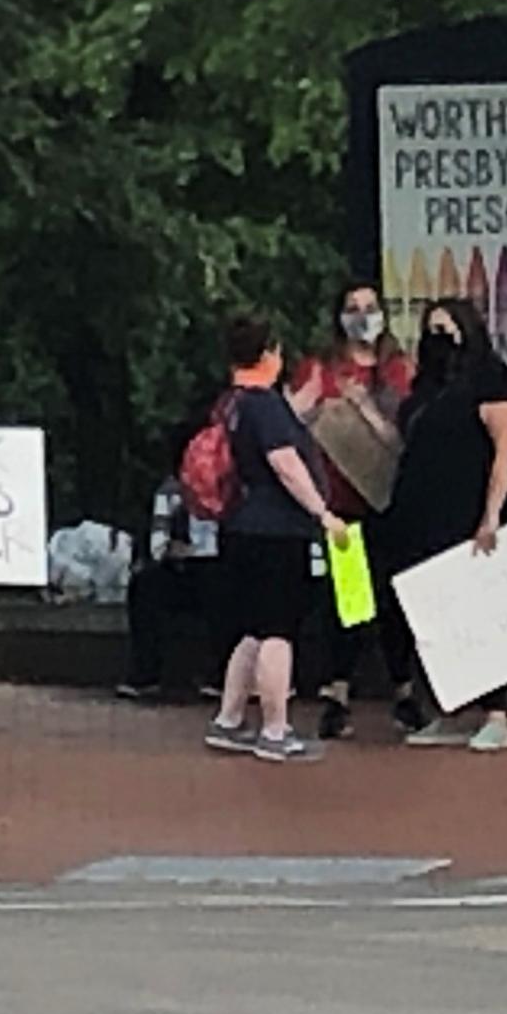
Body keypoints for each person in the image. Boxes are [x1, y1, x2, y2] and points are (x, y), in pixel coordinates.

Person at [203, 313, 346, 764]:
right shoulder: (265, 405)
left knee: (252, 628)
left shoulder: (231, 404)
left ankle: (228, 720)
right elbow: (285, 462)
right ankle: (275, 729)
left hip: (241, 526)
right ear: (269, 355)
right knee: (278, 633)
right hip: (278, 531)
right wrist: (322, 512)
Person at [392, 297, 507, 753]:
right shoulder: (425, 387)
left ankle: (496, 712)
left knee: (478, 613)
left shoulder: (490, 377)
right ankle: (451, 705)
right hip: (421, 515)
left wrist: (491, 515)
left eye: (448, 330)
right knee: (435, 615)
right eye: (432, 330)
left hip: (466, 511)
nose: (440, 340)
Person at [289, 282, 416, 739]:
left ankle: (403, 692)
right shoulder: (321, 369)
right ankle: (336, 693)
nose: (362, 317)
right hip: (340, 504)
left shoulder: (397, 371)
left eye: (370, 309)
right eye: (352, 309)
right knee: (349, 602)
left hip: (385, 500)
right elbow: (291, 422)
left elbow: (403, 440)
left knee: (393, 599)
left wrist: (364, 408)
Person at [116, 402, 231, 704]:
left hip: (221, 567)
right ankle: (144, 674)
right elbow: (158, 544)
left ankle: (220, 676)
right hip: (183, 568)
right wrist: (171, 551)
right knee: (146, 585)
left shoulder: (231, 489)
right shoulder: (171, 492)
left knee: (222, 583)